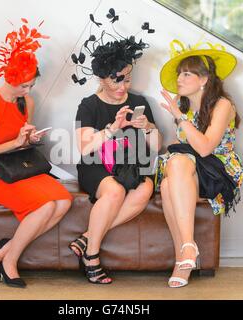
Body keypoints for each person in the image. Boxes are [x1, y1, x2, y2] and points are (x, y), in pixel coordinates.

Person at [0, 18, 72, 288]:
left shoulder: (25, 101)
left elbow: (20, 142)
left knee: (63, 201)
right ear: (10, 78)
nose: (28, 91)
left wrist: (30, 139)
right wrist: (17, 142)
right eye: (24, 86)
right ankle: (9, 261)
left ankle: (4, 250)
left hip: (19, 166)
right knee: (46, 206)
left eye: (31, 85)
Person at [69, 9, 161, 284]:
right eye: (116, 79)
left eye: (127, 78)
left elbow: (156, 147)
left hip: (131, 166)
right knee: (114, 190)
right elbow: (85, 149)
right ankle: (92, 256)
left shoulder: (138, 101)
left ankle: (86, 239)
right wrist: (113, 129)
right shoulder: (89, 105)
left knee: (145, 188)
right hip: (95, 166)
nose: (124, 85)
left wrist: (148, 128)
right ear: (101, 78)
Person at [159, 40, 243, 288]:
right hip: (191, 169)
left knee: (178, 165)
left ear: (204, 79)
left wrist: (178, 118)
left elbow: (205, 147)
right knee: (168, 182)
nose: (180, 79)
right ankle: (185, 254)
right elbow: (181, 147)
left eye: (187, 74)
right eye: (179, 74)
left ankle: (185, 251)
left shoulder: (222, 105)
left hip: (218, 170)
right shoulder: (184, 107)